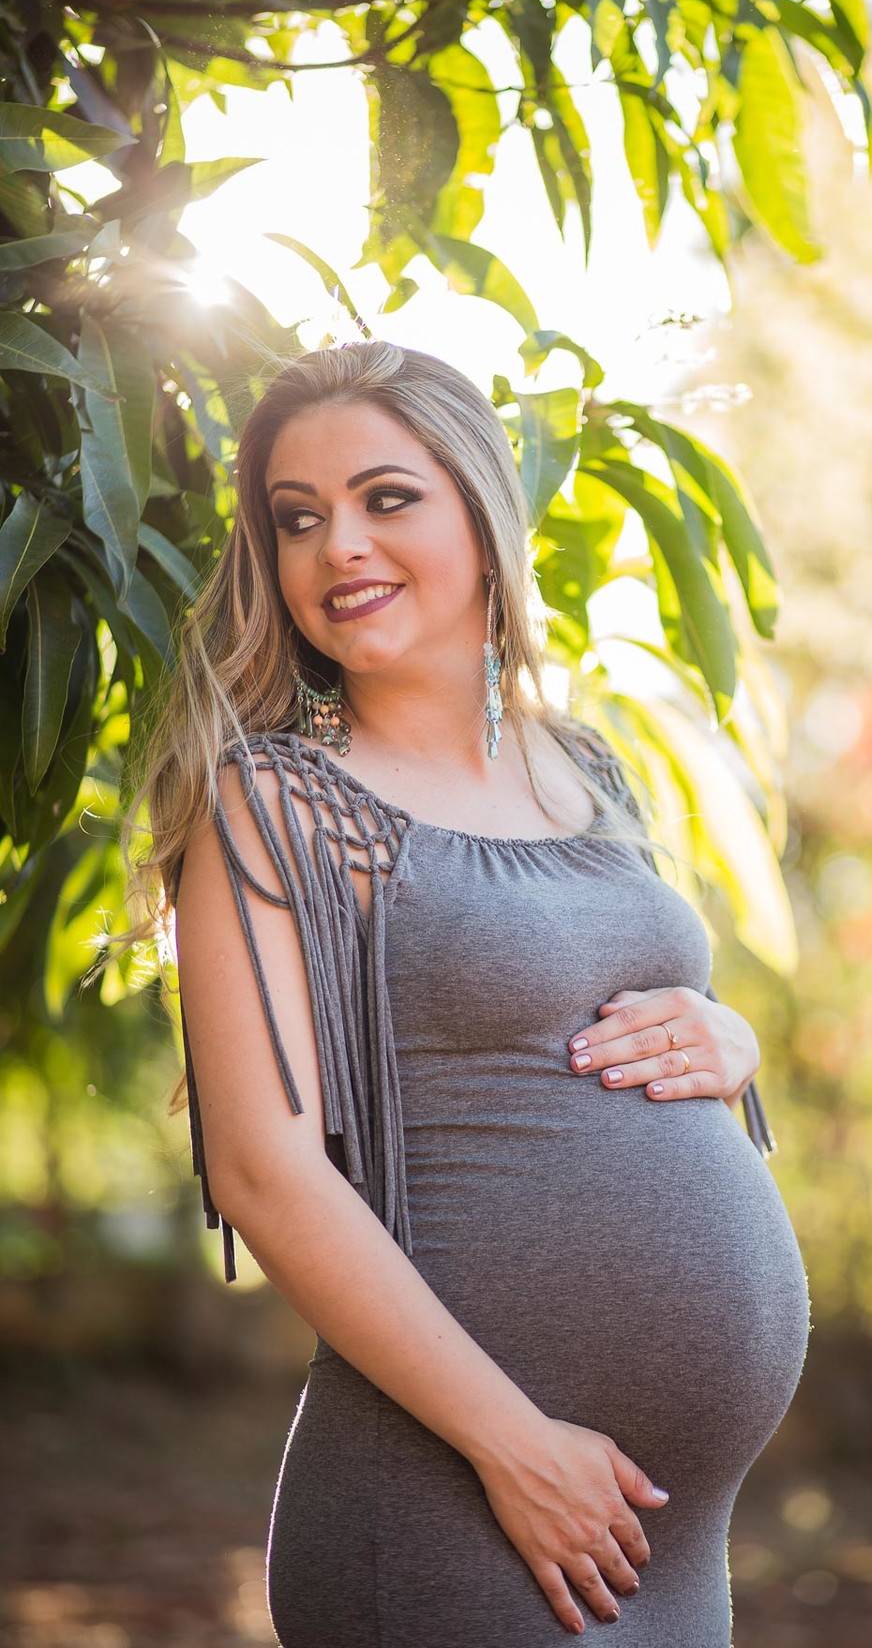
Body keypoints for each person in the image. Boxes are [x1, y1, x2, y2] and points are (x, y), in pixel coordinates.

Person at [120, 340, 810, 1645]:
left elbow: (618, 998)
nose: (339, 549)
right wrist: (516, 1449)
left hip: (667, 1537)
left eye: (388, 499)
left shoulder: (587, 766)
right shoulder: (275, 803)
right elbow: (260, 1170)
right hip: (465, 1503)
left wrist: (730, 1034)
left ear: (484, 520)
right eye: (298, 519)